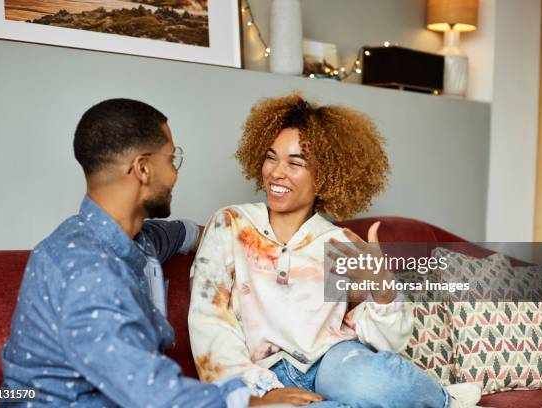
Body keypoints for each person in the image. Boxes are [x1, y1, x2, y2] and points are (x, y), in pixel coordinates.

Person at [188, 95, 484, 408]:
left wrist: (382, 288)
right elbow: (210, 324)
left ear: (325, 176)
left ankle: (442, 400)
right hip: (260, 371)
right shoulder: (232, 223)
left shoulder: (339, 244)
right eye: (271, 158)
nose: (276, 172)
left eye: (295, 163)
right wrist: (260, 391)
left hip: (334, 361)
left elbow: (385, 344)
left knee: (375, 382)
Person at [1, 99, 249, 407]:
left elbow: (186, 233)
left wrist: (243, 233)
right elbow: (151, 394)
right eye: (173, 160)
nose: (175, 173)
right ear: (143, 168)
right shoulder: (86, 269)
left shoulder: (134, 240)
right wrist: (249, 401)